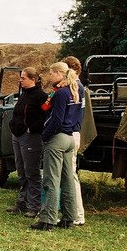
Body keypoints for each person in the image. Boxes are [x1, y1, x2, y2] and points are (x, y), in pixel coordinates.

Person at [31, 62, 82, 230]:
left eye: (52, 73)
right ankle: (69, 217)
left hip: (57, 138)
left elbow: (56, 119)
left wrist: (45, 136)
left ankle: (48, 219)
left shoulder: (60, 94)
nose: (50, 76)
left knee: (51, 180)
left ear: (60, 74)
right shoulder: (75, 90)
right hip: (69, 137)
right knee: (68, 180)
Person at [8, 67, 47, 218]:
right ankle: (22, 202)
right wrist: (13, 125)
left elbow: (44, 116)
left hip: (31, 137)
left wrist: (32, 129)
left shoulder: (41, 96)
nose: (20, 80)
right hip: (18, 135)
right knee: (21, 170)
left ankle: (34, 206)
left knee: (32, 172)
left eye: (23, 78)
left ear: (33, 79)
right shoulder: (24, 94)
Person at [62, 55, 87, 226]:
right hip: (75, 132)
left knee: (70, 175)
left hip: (70, 133)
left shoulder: (74, 87)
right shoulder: (79, 87)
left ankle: (77, 213)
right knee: (69, 174)